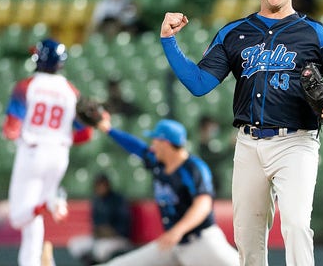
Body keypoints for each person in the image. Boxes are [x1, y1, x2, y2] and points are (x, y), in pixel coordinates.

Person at [158, 0, 323, 265]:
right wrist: (169, 40)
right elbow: (199, 84)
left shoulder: (313, 32)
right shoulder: (233, 32)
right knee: (248, 239)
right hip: (248, 143)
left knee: (295, 224)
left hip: (296, 142)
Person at [93, 113, 239, 266]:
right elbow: (136, 147)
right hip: (173, 244)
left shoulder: (193, 168)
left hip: (202, 242)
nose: (152, 144)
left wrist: (178, 230)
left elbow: (203, 205)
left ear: (165, 143)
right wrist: (109, 130)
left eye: (155, 140)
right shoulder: (158, 163)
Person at [2, 38, 94, 266]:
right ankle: (50, 203)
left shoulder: (26, 86)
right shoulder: (71, 90)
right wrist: (59, 138)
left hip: (32, 153)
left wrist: (16, 133)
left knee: (18, 216)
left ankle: (50, 203)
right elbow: (85, 134)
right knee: (32, 224)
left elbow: (11, 129)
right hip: (59, 154)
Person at [68, 173, 133, 265]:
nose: (100, 188)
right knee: (76, 244)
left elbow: (125, 226)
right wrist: (98, 231)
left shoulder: (118, 200)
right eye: (98, 185)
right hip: (100, 239)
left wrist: (112, 231)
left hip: (119, 238)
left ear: (108, 185)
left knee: (100, 249)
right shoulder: (97, 201)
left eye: (102, 184)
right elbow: (95, 225)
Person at [197, 115, 234, 198]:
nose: (214, 130)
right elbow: (215, 160)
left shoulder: (210, 146)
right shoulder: (199, 148)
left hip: (214, 186)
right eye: (211, 127)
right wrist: (230, 147)